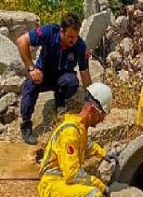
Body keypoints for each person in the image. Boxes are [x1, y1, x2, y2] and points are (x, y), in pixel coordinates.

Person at [17, 13, 92, 145]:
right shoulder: (49, 32)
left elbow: (84, 73)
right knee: (30, 84)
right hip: (43, 74)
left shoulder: (80, 45)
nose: (72, 41)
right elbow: (21, 41)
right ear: (61, 31)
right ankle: (26, 124)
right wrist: (31, 68)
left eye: (75, 37)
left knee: (72, 82)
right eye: (69, 37)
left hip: (62, 78)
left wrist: (91, 98)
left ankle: (60, 100)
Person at [37, 82, 117, 197]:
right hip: (52, 185)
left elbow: (86, 146)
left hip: (61, 181)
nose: (102, 120)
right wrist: (100, 185)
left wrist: (104, 153)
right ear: (92, 110)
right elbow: (72, 174)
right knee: (94, 194)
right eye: (101, 115)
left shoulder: (79, 128)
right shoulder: (70, 133)